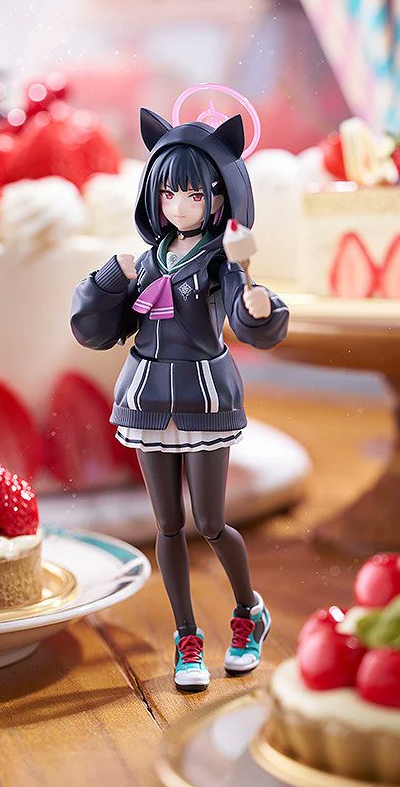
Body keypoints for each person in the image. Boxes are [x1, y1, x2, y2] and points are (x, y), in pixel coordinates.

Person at [71, 106, 289, 692]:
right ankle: (186, 636)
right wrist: (110, 278)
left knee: (211, 522)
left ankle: (248, 612)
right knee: (168, 526)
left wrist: (260, 306)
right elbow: (95, 330)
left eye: (194, 194)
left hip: (202, 397)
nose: (181, 206)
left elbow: (246, 312)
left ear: (220, 196)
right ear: (153, 195)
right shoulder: (145, 262)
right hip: (146, 397)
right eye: (169, 193)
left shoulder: (222, 261)